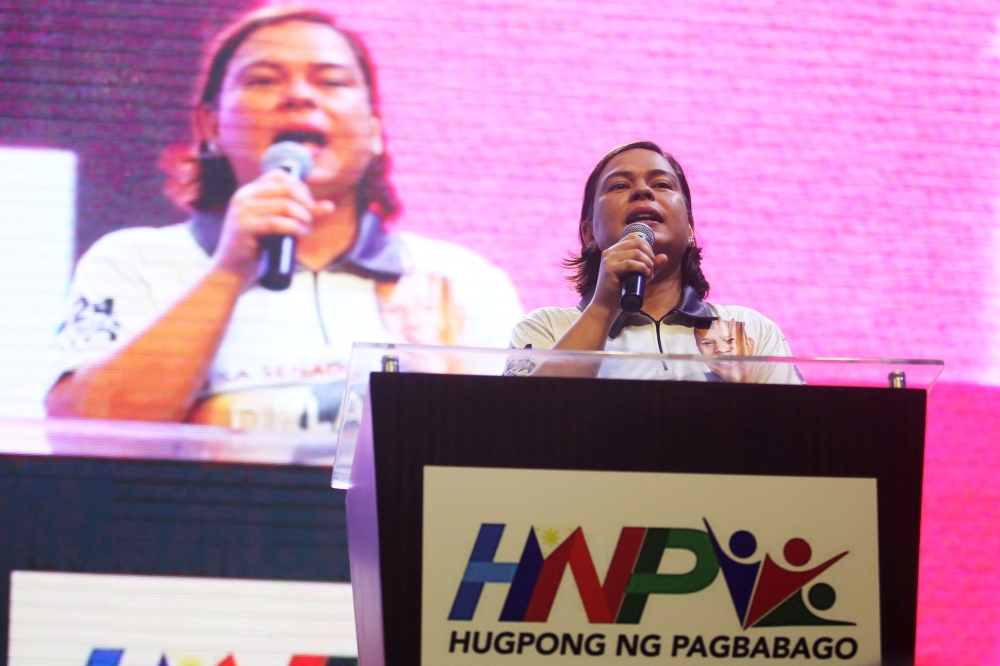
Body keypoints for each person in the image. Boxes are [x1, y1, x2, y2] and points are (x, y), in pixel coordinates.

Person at [45, 7, 522, 431]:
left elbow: (526, 456)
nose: (298, 95)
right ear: (209, 127)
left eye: (331, 81)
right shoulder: (134, 262)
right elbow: (80, 435)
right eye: (263, 80)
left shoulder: (462, 283)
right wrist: (229, 271)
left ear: (375, 131)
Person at [508, 141, 795, 382]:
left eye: (661, 184)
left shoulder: (748, 329)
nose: (643, 192)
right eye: (620, 185)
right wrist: (603, 308)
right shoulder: (545, 327)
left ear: (691, 228)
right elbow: (524, 427)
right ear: (589, 234)